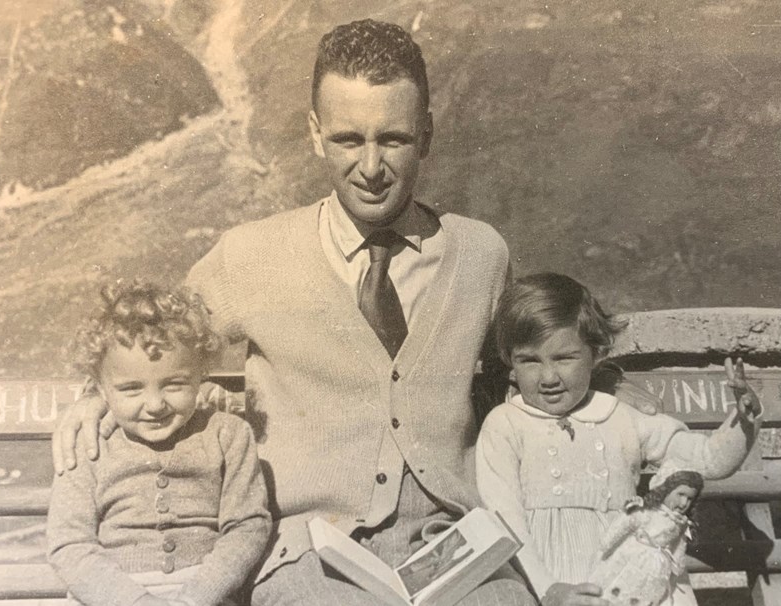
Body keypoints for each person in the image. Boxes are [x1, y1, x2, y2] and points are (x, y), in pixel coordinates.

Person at [52, 20, 655, 606]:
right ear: (315, 133)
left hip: (456, 549)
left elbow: (526, 360)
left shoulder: (480, 254)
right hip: (307, 556)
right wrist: (93, 400)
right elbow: (152, 342)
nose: (370, 168)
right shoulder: (251, 256)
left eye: (392, 139)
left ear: (426, 135)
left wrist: (609, 388)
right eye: (347, 140)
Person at [475, 272, 762, 606]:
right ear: (510, 361)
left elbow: (708, 460)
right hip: (550, 580)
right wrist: (547, 588)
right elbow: (504, 518)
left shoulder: (620, 416)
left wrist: (743, 419)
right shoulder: (505, 425)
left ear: (596, 354)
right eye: (530, 361)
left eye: (564, 358)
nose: (548, 377)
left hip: (628, 576)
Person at [47, 280, 271, 606]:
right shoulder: (89, 444)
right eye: (131, 389)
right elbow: (69, 545)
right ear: (101, 388)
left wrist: (194, 599)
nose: (154, 405)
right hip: (109, 595)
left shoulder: (228, 434)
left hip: (206, 594)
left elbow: (247, 527)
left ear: (201, 374)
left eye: (174, 384)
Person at [589, 461, 704, 606]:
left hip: (656, 570)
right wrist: (606, 546)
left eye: (689, 498)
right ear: (666, 489)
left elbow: (678, 550)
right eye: (680, 494)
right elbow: (624, 524)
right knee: (616, 592)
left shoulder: (680, 524)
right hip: (631, 559)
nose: (683, 503)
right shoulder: (646, 512)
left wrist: (677, 568)